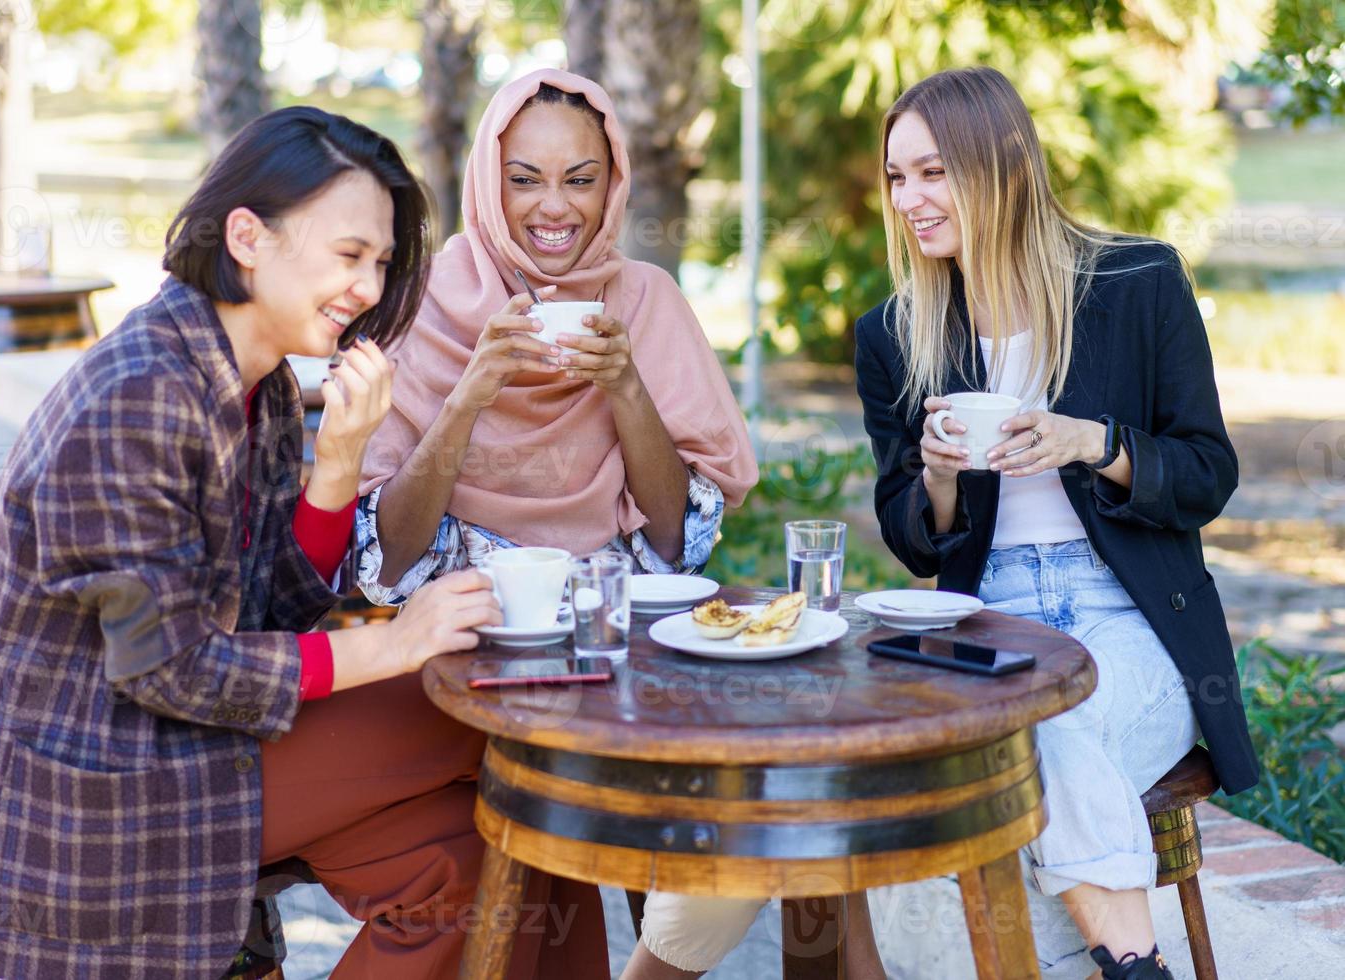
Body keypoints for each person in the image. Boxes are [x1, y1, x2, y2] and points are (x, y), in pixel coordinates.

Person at [0, 106, 604, 979]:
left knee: (493, 852)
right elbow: (171, 667)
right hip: (103, 780)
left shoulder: (257, 377)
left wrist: (340, 458)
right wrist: (398, 642)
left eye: (381, 264)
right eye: (349, 256)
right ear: (247, 237)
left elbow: (276, 606)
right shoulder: (139, 396)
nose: (371, 290)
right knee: (499, 722)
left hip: (195, 732)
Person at [854, 67, 1260, 980]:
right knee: (1033, 725)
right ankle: (1135, 965)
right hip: (987, 620)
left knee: (1036, 732)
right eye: (896, 177)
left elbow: (1207, 473)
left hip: (1133, 616)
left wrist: (1097, 442)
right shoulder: (896, 334)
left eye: (932, 173)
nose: (909, 200)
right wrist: (939, 478)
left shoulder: (1138, 282)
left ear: (999, 163)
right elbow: (913, 538)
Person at [356, 68, 757, 599]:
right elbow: (389, 561)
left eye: (580, 180)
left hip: (614, 637)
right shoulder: (419, 301)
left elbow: (675, 546)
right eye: (523, 180)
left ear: (611, 186)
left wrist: (626, 387)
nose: (555, 207)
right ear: (487, 183)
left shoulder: (647, 300)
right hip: (460, 642)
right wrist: (467, 399)